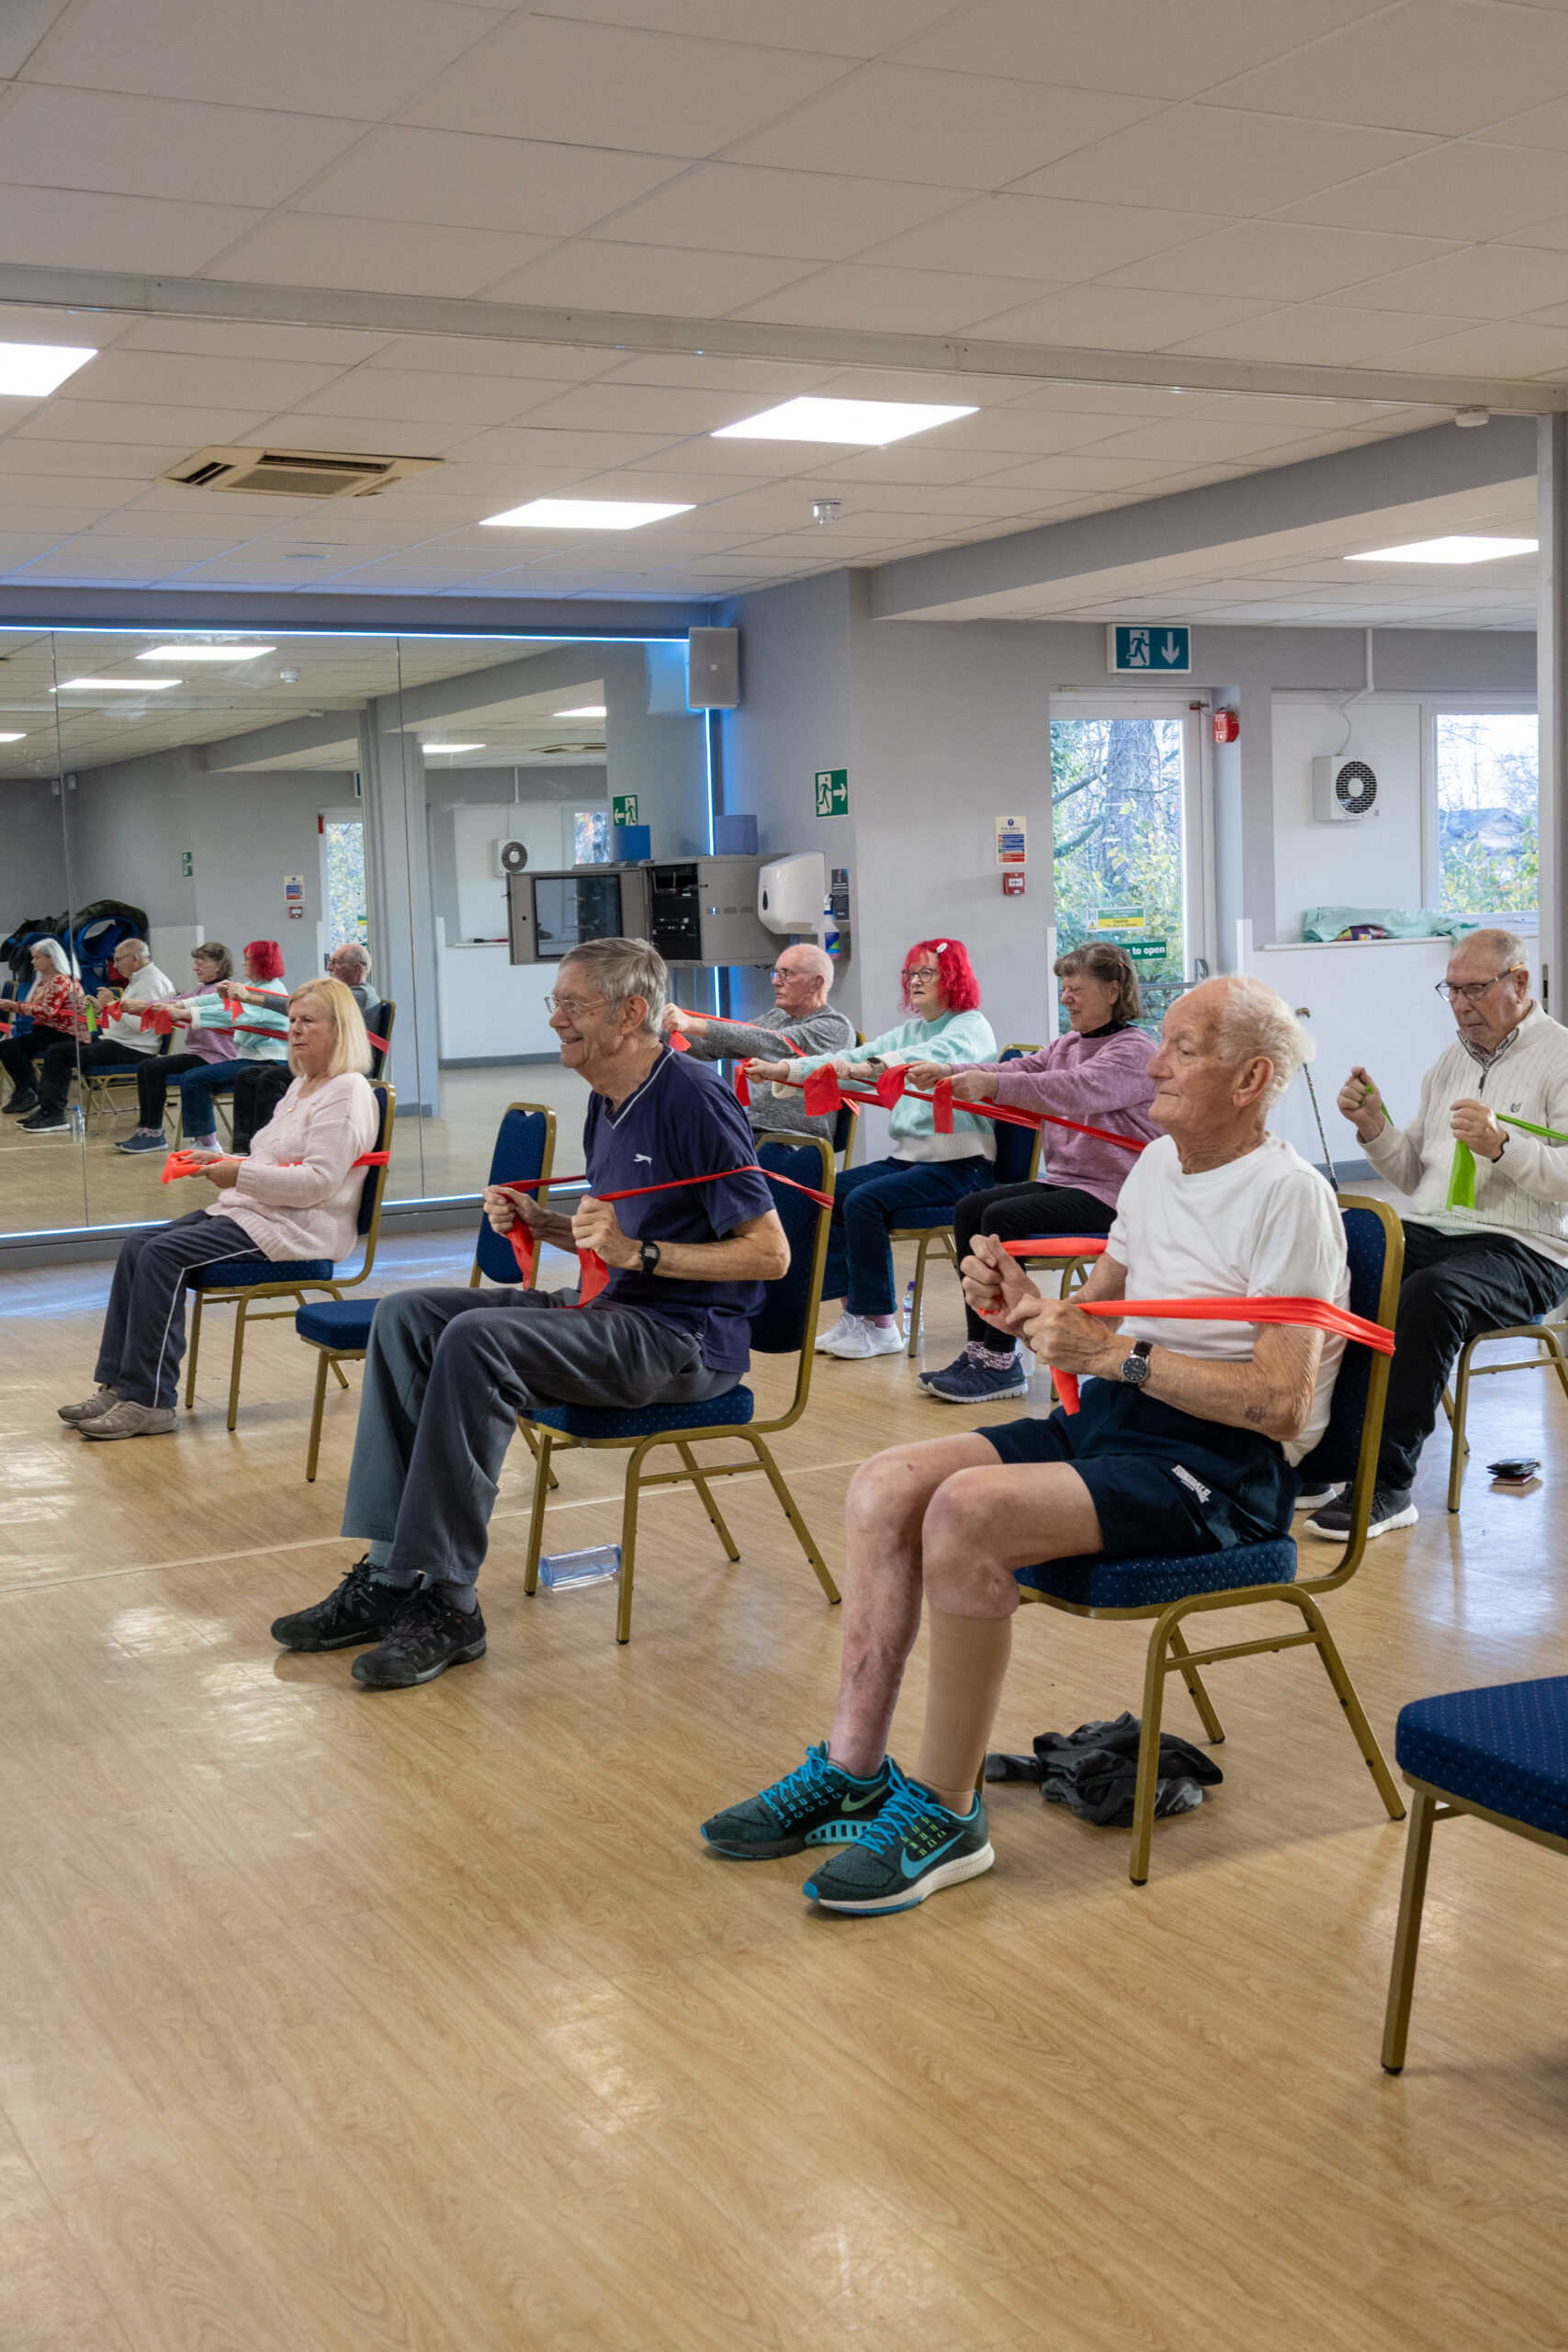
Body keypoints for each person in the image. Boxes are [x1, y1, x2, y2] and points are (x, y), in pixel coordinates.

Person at [701, 978, 1348, 1917]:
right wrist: (1033, 1312)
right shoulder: (1161, 1165)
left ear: (1251, 1078)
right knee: (886, 1483)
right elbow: (1098, 1313)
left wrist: (1117, 1357)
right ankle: (853, 1769)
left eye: (1184, 1047)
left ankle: (949, 1811)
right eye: (1163, 1040)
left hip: (1218, 1470)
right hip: (1117, 1430)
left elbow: (1284, 1406)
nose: (1155, 1063)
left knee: (967, 1513)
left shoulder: (1292, 1198)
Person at [268, 935, 789, 1691]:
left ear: (630, 1012)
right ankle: (390, 1576)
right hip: (613, 1311)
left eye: (571, 1006)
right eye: (556, 1004)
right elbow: (617, 1237)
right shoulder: (606, 1097)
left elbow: (767, 1255)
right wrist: (542, 1223)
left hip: (683, 1342)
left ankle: (448, 1602)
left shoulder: (693, 1096)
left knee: (479, 1340)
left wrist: (640, 1255)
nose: (555, 1021)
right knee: (408, 1317)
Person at [1315, 924, 1568, 1541]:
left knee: (1429, 1294)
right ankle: (1317, 1459)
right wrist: (1374, 1127)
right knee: (1336, 1254)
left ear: (1518, 982)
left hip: (1528, 1249)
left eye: (1473, 990)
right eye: (1449, 990)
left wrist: (1502, 1145)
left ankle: (1387, 1483)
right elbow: (1411, 1176)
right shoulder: (1449, 1061)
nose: (1459, 1005)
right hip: (1434, 1230)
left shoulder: (1560, 1057)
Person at [57, 978, 378, 1442]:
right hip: (258, 1211)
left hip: (296, 1229)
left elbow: (317, 1184)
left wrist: (239, 1176)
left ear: (341, 1028)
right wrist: (228, 1163)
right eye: (292, 1021)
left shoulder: (346, 1094)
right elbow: (274, 1160)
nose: (295, 1031)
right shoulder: (305, 1085)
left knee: (162, 1256)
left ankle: (150, 1401)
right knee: (138, 1245)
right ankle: (119, 1386)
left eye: (309, 1021)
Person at [910, 943, 1160, 1403]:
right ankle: (980, 1349)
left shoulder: (1134, 1050)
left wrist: (995, 1084)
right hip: (1070, 1183)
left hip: (1118, 1195)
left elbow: (1075, 1090)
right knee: (971, 1209)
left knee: (1004, 1220)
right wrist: (950, 1070)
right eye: (1063, 988)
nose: (1066, 997)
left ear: (1112, 990)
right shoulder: (1067, 1044)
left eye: (1076, 989)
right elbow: (1021, 1069)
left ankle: (1000, 1362)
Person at [748, 938, 997, 1361]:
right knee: (828, 1193)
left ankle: (881, 1323)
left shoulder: (969, 1026)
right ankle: (857, 1315)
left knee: (863, 1201)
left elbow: (928, 1057)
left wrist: (871, 1068)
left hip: (963, 1165)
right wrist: (785, 1070)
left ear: (951, 978)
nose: (915, 982)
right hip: (912, 1158)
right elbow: (850, 1057)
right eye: (910, 974)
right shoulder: (911, 1029)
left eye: (927, 973)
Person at [661, 941, 855, 1157]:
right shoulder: (776, 1017)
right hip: (754, 1134)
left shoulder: (834, 1025)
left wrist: (692, 1023)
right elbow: (712, 1046)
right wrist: (653, 1029)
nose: (775, 982)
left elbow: (770, 1043)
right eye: (775, 973)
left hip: (795, 1142)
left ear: (815, 982)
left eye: (785, 974)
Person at [18, 936, 175, 1134]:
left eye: (118, 960)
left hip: (134, 1048)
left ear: (135, 958)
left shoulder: (152, 983)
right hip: (118, 1041)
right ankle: (48, 1110)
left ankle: (54, 1114)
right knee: (57, 1050)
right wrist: (100, 1010)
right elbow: (124, 1018)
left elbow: (142, 1027)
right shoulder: (139, 980)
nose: (115, 966)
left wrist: (111, 1005)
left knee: (60, 1053)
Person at [232, 943, 380, 1151]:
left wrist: (252, 998)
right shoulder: (346, 995)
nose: (329, 968)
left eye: (336, 963)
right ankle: (243, 1147)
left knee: (270, 1078)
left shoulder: (358, 995)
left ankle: (264, 1148)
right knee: (247, 1075)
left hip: (342, 1067)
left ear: (357, 968)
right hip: (326, 1064)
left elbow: (303, 1004)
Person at [113, 943, 238, 1153]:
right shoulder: (200, 989)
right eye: (194, 963)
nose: (194, 968)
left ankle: (154, 1133)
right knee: (146, 1066)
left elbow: (179, 1005)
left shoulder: (223, 990)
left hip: (217, 1057)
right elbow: (174, 1001)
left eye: (200, 963)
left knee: (152, 1068)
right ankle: (148, 1130)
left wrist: (144, 1006)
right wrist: (136, 1005)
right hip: (199, 1054)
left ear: (218, 966)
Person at [174, 940, 290, 1153]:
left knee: (194, 1079)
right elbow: (217, 1002)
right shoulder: (255, 987)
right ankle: (219, 1143)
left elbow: (231, 1014)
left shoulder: (270, 991)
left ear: (261, 963)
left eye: (248, 960)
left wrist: (188, 1014)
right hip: (249, 1058)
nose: (243, 964)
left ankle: (208, 1143)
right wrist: (182, 1005)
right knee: (192, 1077)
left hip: (266, 1060)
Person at [0, 940, 90, 1114]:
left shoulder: (60, 981)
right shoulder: (44, 981)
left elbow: (46, 1012)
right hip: (49, 1030)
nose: (33, 962)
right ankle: (27, 1090)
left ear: (51, 959)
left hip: (65, 1033)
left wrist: (14, 1006)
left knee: (9, 1046)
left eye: (37, 957)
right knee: (8, 1047)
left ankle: (28, 1091)